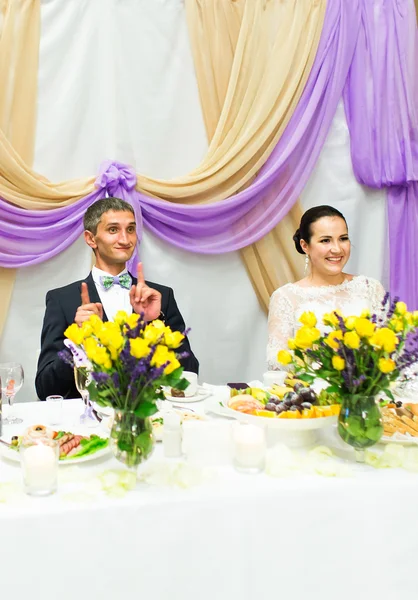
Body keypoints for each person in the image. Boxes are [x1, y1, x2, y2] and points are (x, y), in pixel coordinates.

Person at [36, 197, 199, 400]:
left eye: (130, 229)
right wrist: (78, 341)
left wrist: (155, 321)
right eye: (113, 229)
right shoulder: (61, 300)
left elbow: (190, 375)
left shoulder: (160, 296)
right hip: (87, 426)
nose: (125, 239)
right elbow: (45, 389)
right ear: (91, 238)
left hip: (147, 422)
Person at [267, 205, 386, 370]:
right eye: (325, 240)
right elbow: (277, 367)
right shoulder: (286, 297)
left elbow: (388, 352)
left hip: (366, 392)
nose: (337, 249)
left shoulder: (370, 288)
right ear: (305, 246)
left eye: (343, 238)